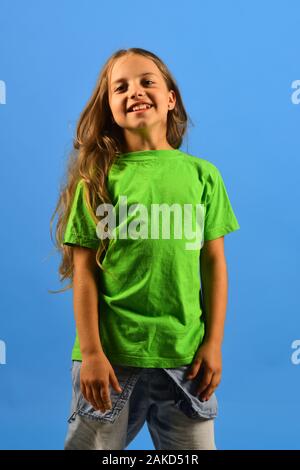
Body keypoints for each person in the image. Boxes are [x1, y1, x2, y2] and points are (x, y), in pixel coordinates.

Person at [51, 47, 240, 450]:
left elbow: (214, 262)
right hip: (111, 360)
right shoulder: (97, 179)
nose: (134, 91)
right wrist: (91, 354)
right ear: (111, 108)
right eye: (120, 87)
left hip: (184, 360)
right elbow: (84, 273)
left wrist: (213, 342)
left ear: (171, 98)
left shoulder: (203, 176)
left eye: (146, 81)